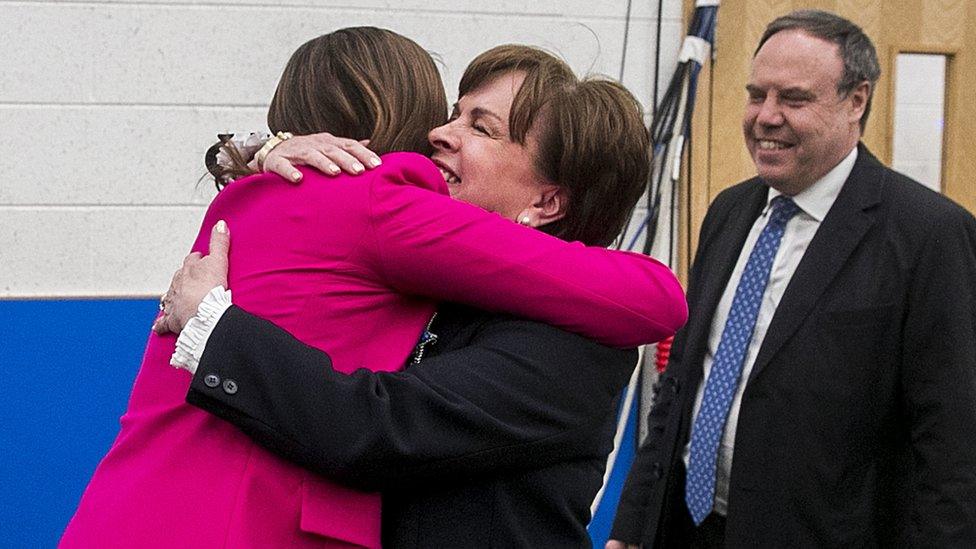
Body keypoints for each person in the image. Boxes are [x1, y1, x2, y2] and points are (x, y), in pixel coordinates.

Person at [60, 29, 686, 549]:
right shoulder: (412, 264)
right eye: (449, 114)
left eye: (482, 128)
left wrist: (213, 328)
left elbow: (377, 427)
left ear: (549, 201)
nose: (440, 134)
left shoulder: (573, 342)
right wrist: (265, 148)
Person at [607, 9, 976, 548]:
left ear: (857, 101)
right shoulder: (729, 212)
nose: (766, 117)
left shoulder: (930, 236)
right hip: (686, 528)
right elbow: (683, 386)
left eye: (794, 99)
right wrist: (632, 527)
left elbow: (951, 446)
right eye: (757, 95)